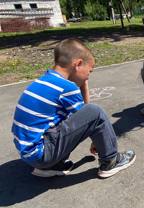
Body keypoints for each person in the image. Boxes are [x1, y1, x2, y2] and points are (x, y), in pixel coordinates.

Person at [11, 39, 135, 178]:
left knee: (65, 117)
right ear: (78, 64)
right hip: (42, 154)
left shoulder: (44, 80)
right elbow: (89, 116)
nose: (88, 75)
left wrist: (83, 83)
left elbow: (80, 118)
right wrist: (97, 141)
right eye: (89, 71)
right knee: (96, 111)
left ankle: (53, 165)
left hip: (29, 154)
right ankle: (111, 160)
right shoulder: (66, 87)